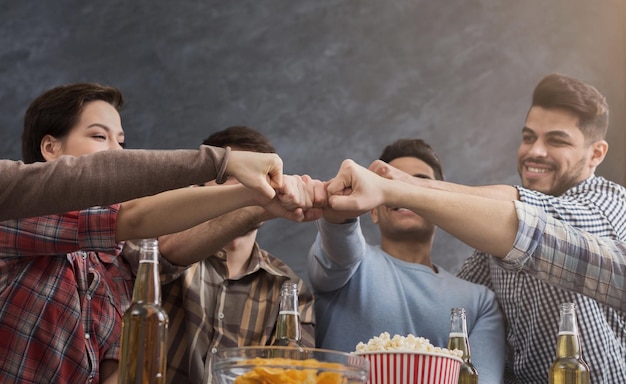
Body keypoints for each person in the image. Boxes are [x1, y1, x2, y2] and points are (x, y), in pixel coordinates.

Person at [0, 84, 313, 384]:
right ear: (50, 147)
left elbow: (117, 371)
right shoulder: (16, 212)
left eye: (121, 142)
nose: (118, 152)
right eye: (99, 136)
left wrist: (265, 201)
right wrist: (233, 172)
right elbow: (135, 215)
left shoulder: (117, 262)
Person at [366, 73, 626, 383]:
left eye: (556, 140)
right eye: (529, 137)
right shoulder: (495, 234)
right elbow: (456, 303)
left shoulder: (610, 204)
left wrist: (406, 187)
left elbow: (539, 222)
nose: (535, 151)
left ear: (596, 153)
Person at [126, 126, 321, 384]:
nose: (247, 186)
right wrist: (256, 207)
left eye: (260, 177)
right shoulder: (153, 246)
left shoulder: (290, 289)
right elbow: (165, 254)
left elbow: (294, 377)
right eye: (231, 175)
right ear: (198, 188)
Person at [307, 139, 506, 383]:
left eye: (418, 184)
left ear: (442, 207)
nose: (404, 194)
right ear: (374, 210)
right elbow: (340, 240)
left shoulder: (479, 302)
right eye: (390, 186)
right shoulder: (351, 266)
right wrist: (339, 213)